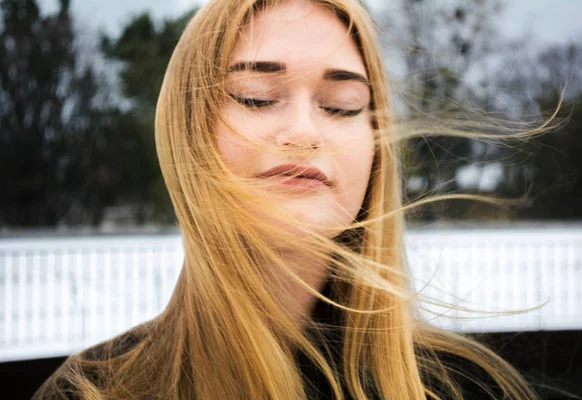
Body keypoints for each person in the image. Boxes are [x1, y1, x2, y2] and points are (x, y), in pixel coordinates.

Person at [33, 0, 538, 398]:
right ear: (188, 133)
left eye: (343, 107)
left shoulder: (468, 387)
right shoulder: (95, 391)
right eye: (256, 96)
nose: (303, 132)